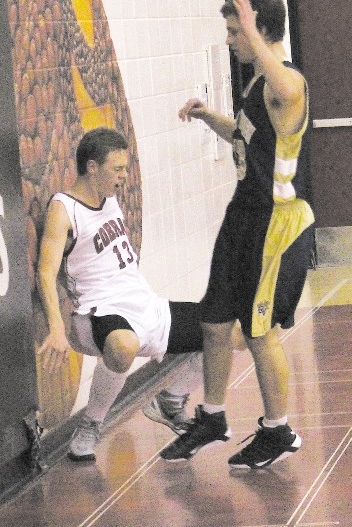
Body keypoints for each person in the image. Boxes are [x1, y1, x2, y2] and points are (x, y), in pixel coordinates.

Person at [160, 0, 314, 469]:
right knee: (213, 320)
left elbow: (288, 91)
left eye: (235, 32)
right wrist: (210, 119)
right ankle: (213, 416)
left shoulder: (285, 81)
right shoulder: (253, 88)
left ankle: (278, 428)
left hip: (276, 223)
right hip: (242, 217)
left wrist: (249, 29)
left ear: (260, 30)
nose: (230, 41)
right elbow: (246, 134)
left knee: (259, 331)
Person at [37, 127, 226, 461]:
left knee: (226, 329)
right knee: (124, 344)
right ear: (92, 168)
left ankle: (170, 400)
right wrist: (55, 328)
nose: (124, 176)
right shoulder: (64, 209)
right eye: (117, 169)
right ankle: (91, 424)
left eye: (126, 168)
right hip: (96, 311)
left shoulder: (109, 197)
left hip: (144, 305)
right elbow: (46, 272)